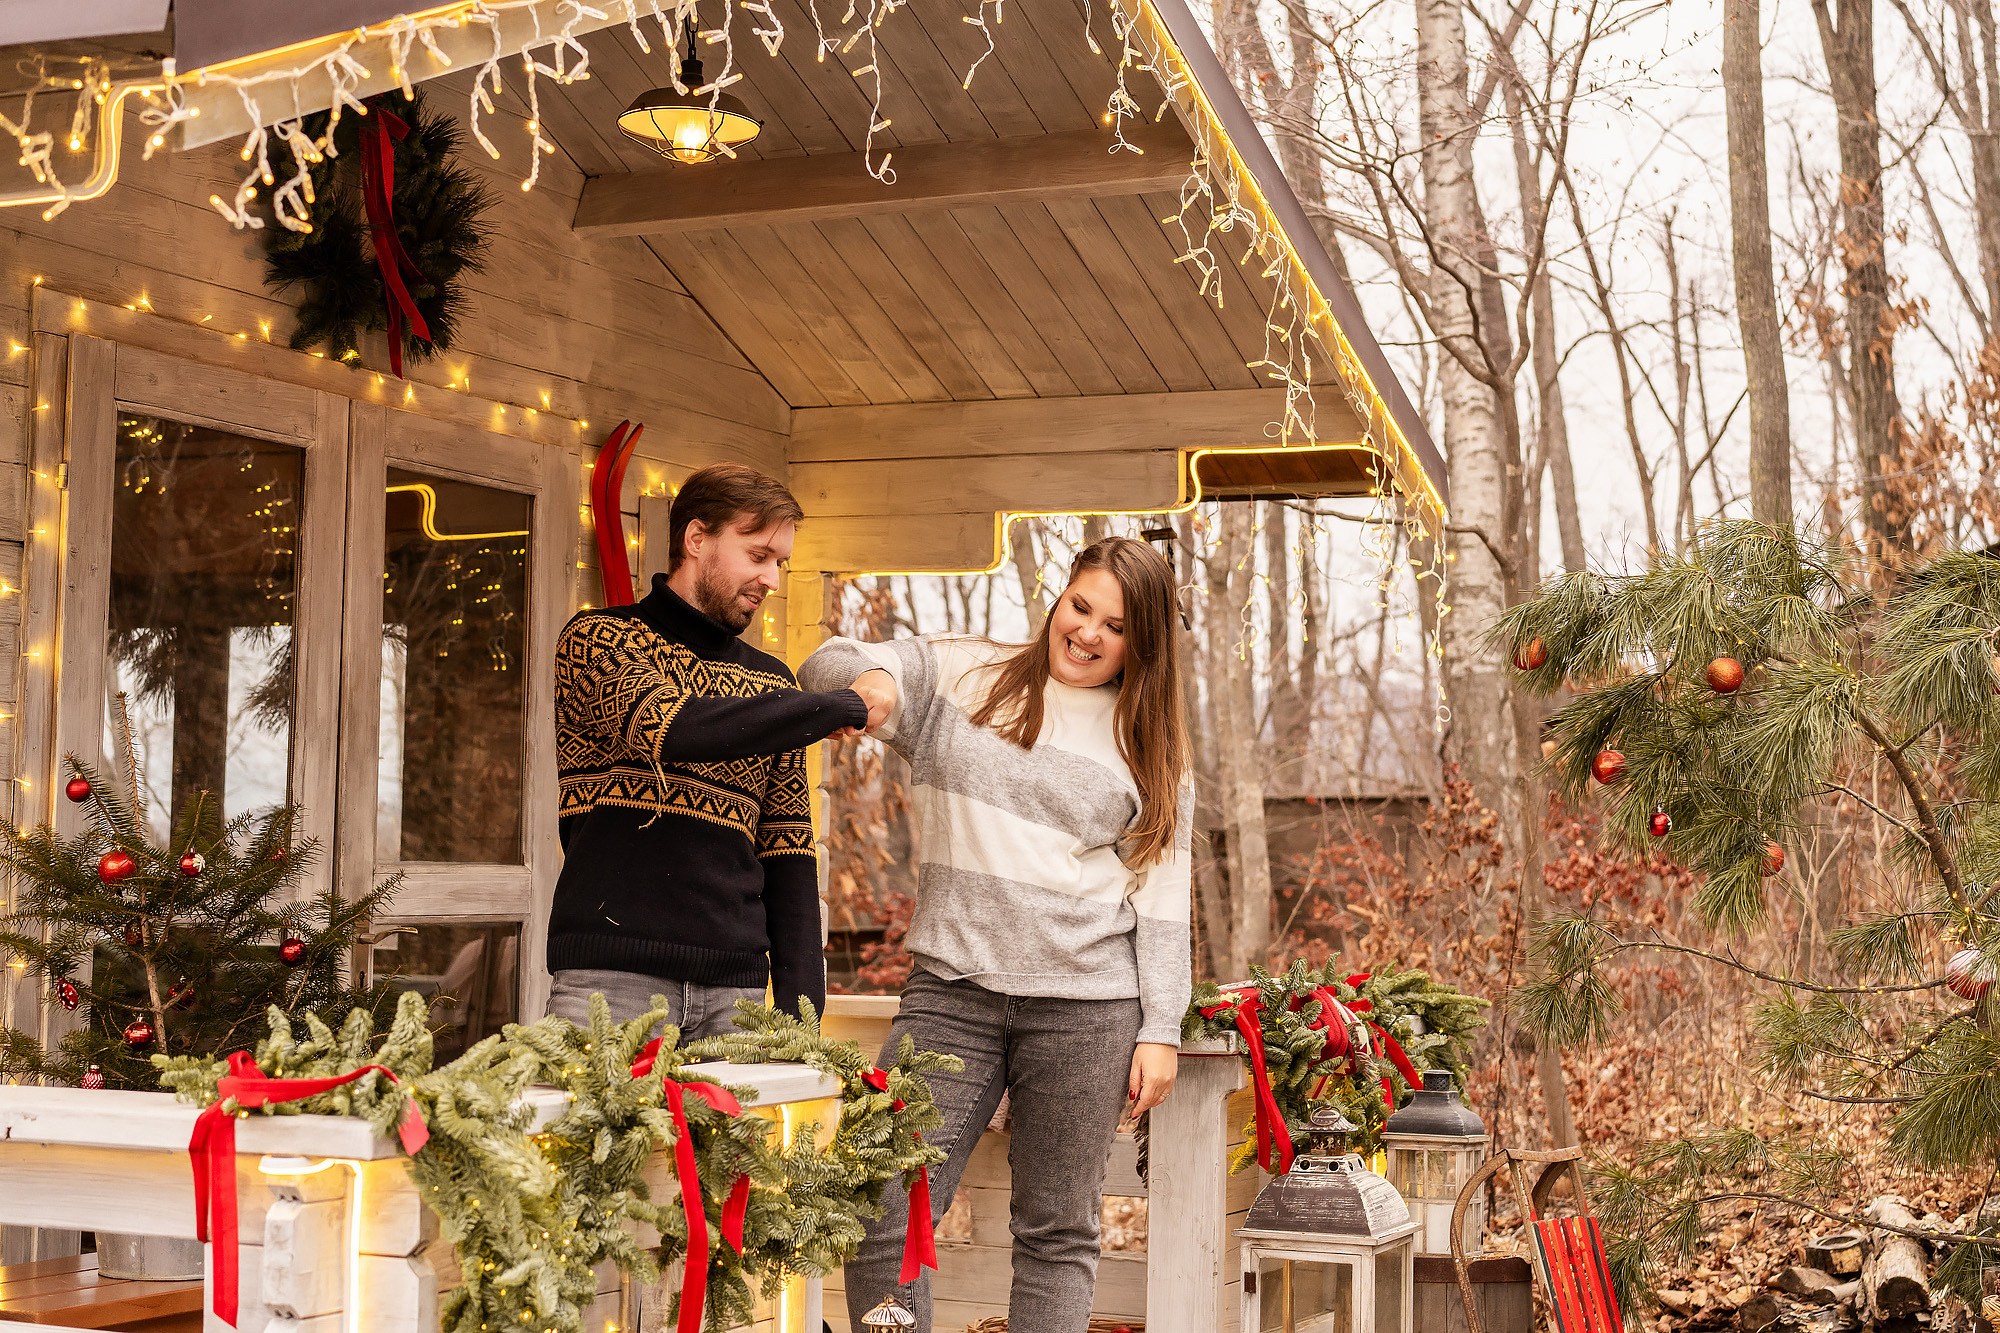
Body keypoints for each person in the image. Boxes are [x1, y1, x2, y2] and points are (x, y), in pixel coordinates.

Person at [799, 535, 1193, 1333]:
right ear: (1060, 596)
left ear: (1142, 643)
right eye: (1080, 606)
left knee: (1057, 1230)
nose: (1087, 632)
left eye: (1116, 626)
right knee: (881, 1199)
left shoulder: (1148, 744)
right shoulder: (964, 675)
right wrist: (875, 684)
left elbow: (1160, 897)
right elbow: (824, 663)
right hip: (951, 994)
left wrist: (1161, 1025)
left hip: (1087, 1007)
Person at [545, 463, 887, 1038]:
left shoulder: (772, 683)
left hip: (738, 998)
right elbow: (675, 728)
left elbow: (788, 854)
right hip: (611, 984)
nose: (771, 579)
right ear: (696, 539)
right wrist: (836, 706)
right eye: (758, 556)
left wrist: (802, 1023)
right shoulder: (598, 640)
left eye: (780, 563)